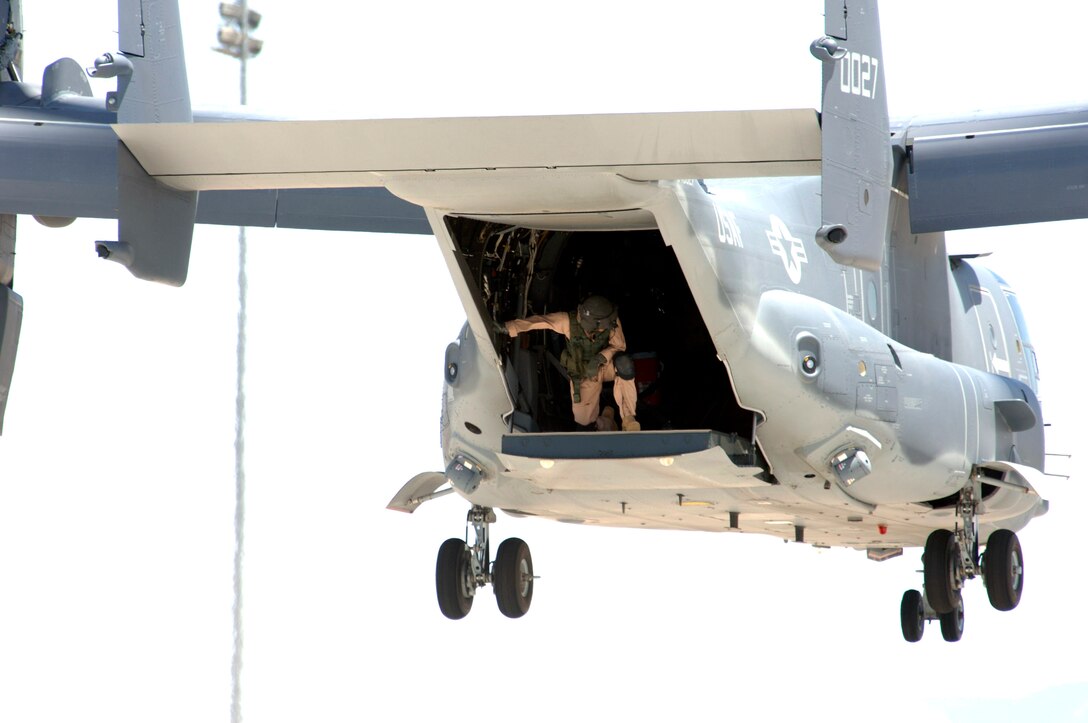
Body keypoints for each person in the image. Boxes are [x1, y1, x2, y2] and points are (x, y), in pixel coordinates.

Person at [499, 295, 640, 432]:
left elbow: (619, 347)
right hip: (583, 373)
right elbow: (541, 321)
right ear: (594, 323)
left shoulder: (610, 320)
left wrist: (600, 358)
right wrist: (509, 327)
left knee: (624, 364)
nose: (607, 327)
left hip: (604, 366)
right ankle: (606, 419)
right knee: (584, 422)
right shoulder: (567, 321)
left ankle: (628, 419)